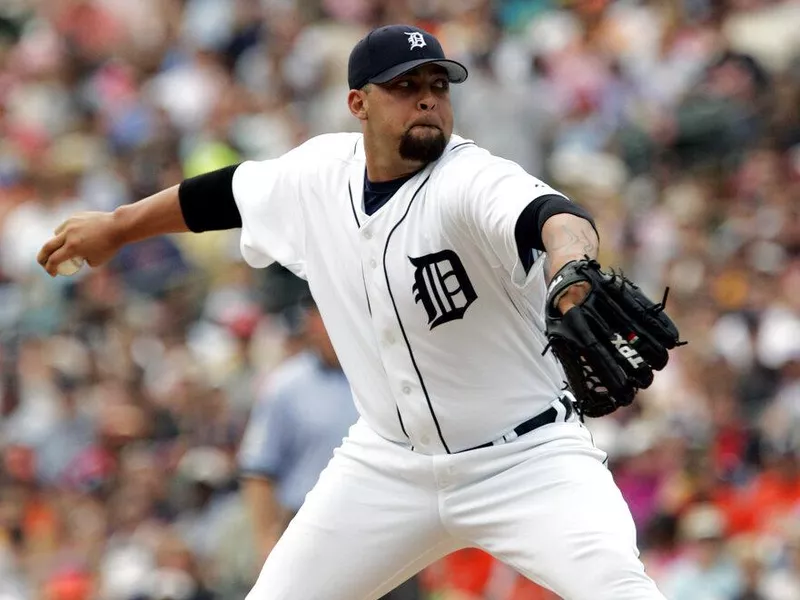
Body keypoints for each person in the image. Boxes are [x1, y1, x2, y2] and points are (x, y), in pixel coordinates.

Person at [38, 24, 668, 599]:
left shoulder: (469, 178)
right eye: (404, 87)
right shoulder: (318, 173)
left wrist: (571, 268)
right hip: (388, 465)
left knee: (620, 590)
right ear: (358, 103)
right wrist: (118, 227)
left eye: (436, 86)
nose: (427, 99)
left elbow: (554, 216)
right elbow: (222, 195)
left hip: (526, 461)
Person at [238, 295, 421, 599]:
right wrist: (265, 543)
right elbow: (259, 471)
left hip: (388, 522)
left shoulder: (388, 373)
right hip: (313, 528)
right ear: (309, 322)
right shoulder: (285, 386)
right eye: (322, 316)